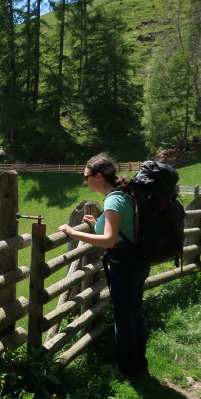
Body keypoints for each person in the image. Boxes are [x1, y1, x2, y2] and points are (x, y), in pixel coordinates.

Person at [57, 153, 150, 378]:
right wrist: (96, 222)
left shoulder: (113, 200)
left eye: (86, 176)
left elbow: (109, 240)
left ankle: (127, 369)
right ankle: (140, 366)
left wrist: (71, 232)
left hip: (125, 265)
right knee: (134, 313)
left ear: (98, 176)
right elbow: (117, 228)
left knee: (124, 317)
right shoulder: (123, 193)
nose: (84, 181)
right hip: (138, 261)